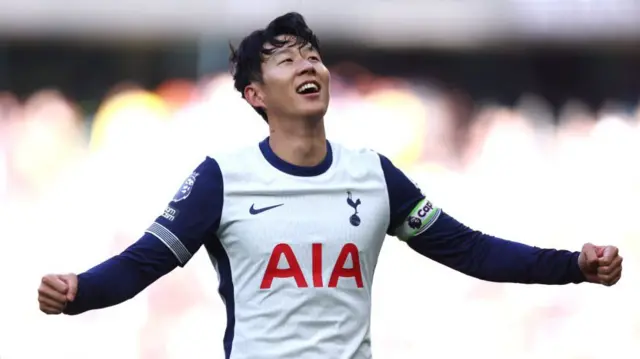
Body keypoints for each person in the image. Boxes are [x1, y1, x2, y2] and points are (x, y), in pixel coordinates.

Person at [38, 12, 623, 359]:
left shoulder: (373, 174)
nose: (309, 67)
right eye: (287, 61)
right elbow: (145, 262)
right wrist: (78, 291)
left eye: (312, 56)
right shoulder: (222, 178)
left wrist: (572, 265)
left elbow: (469, 249)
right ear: (255, 95)